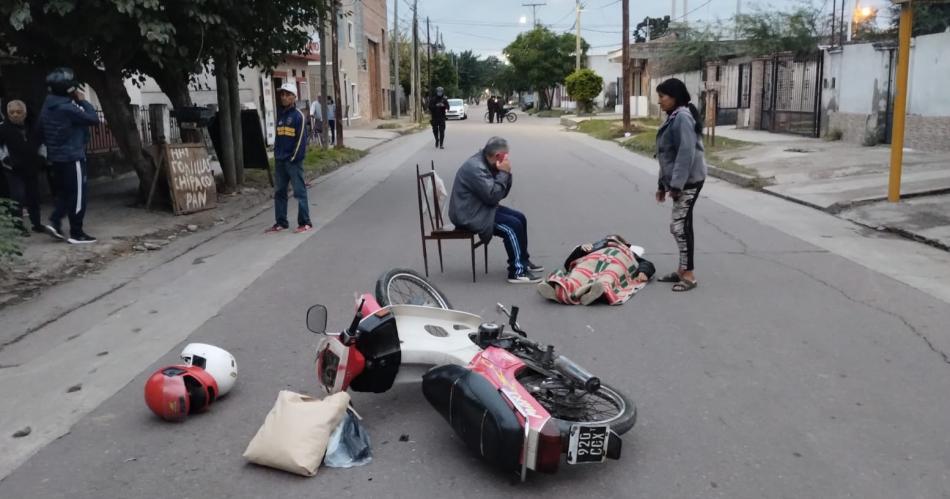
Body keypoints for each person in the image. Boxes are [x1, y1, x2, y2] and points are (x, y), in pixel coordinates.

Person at [448, 136, 543, 284]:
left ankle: (523, 260)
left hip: (481, 208)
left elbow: (501, 193)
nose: (507, 158)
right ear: (498, 155)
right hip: (468, 214)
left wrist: (505, 174)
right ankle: (517, 272)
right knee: (512, 226)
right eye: (506, 156)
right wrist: (504, 173)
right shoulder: (476, 167)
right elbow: (493, 196)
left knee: (520, 218)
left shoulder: (487, 162)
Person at [653, 78, 707, 292]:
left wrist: (676, 186)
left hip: (689, 181)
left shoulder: (682, 117)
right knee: (682, 226)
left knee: (679, 227)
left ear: (674, 97)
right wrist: (662, 184)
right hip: (681, 181)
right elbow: (667, 156)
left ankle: (689, 275)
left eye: (662, 97)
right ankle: (682, 269)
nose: (659, 102)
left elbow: (686, 154)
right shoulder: (675, 116)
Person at [39, 68, 100, 244]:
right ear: (68, 88)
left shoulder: (48, 106)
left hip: (56, 157)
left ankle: (55, 222)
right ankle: (77, 232)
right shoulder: (67, 108)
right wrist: (83, 102)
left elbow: (39, 130)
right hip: (72, 157)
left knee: (66, 193)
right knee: (79, 195)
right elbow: (93, 119)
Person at [536, 235, 655, 306]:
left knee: (611, 274)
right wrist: (580, 250)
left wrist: (643, 271)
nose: (612, 239)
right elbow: (569, 264)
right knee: (579, 272)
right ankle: (557, 289)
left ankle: (595, 290)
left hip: (617, 260)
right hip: (593, 259)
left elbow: (646, 264)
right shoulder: (592, 248)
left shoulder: (628, 252)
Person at [266, 82, 312, 234]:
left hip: (293, 162)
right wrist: (277, 155)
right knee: (280, 192)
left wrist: (293, 158)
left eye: (287, 94)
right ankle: (281, 222)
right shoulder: (281, 116)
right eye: (282, 94)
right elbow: (279, 139)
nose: (284, 97)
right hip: (280, 161)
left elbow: (300, 141)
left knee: (299, 192)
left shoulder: (298, 116)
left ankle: (305, 222)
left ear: (294, 97)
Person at [0, 100, 45, 236]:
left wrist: (42, 157)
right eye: (11, 112)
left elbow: (41, 143)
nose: (15, 115)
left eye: (18, 112)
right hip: (13, 169)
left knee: (34, 196)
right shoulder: (2, 128)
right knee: (17, 197)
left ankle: (36, 224)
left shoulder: (32, 127)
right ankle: (18, 227)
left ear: (24, 113)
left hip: (31, 167)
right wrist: (6, 159)